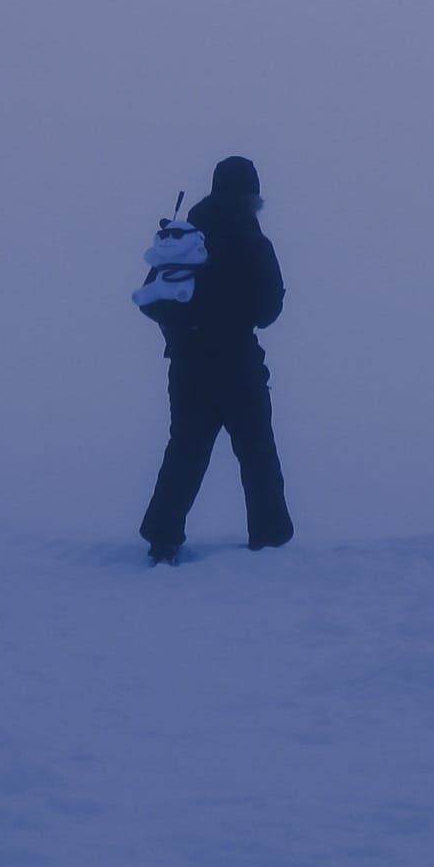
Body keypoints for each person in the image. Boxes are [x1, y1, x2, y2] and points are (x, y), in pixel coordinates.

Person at [140, 155, 293, 563]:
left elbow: (152, 299)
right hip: (237, 363)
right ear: (247, 195)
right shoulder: (252, 240)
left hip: (187, 364)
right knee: (257, 453)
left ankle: (162, 539)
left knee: (185, 451)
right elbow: (268, 310)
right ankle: (271, 541)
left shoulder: (183, 238)